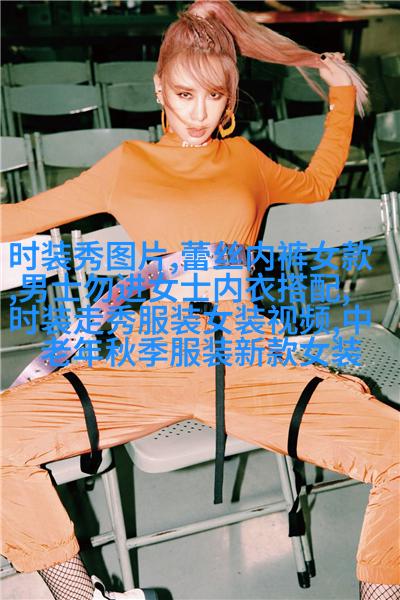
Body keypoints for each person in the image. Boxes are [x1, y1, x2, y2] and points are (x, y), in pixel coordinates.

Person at [0, 1, 398, 599]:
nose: (199, 113)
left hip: (245, 359)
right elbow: (16, 218)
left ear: (230, 98)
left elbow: (318, 184)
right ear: (159, 88)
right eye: (185, 94)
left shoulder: (246, 161)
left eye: (215, 96)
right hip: (143, 361)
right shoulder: (126, 164)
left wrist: (340, 94)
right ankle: (79, 596)